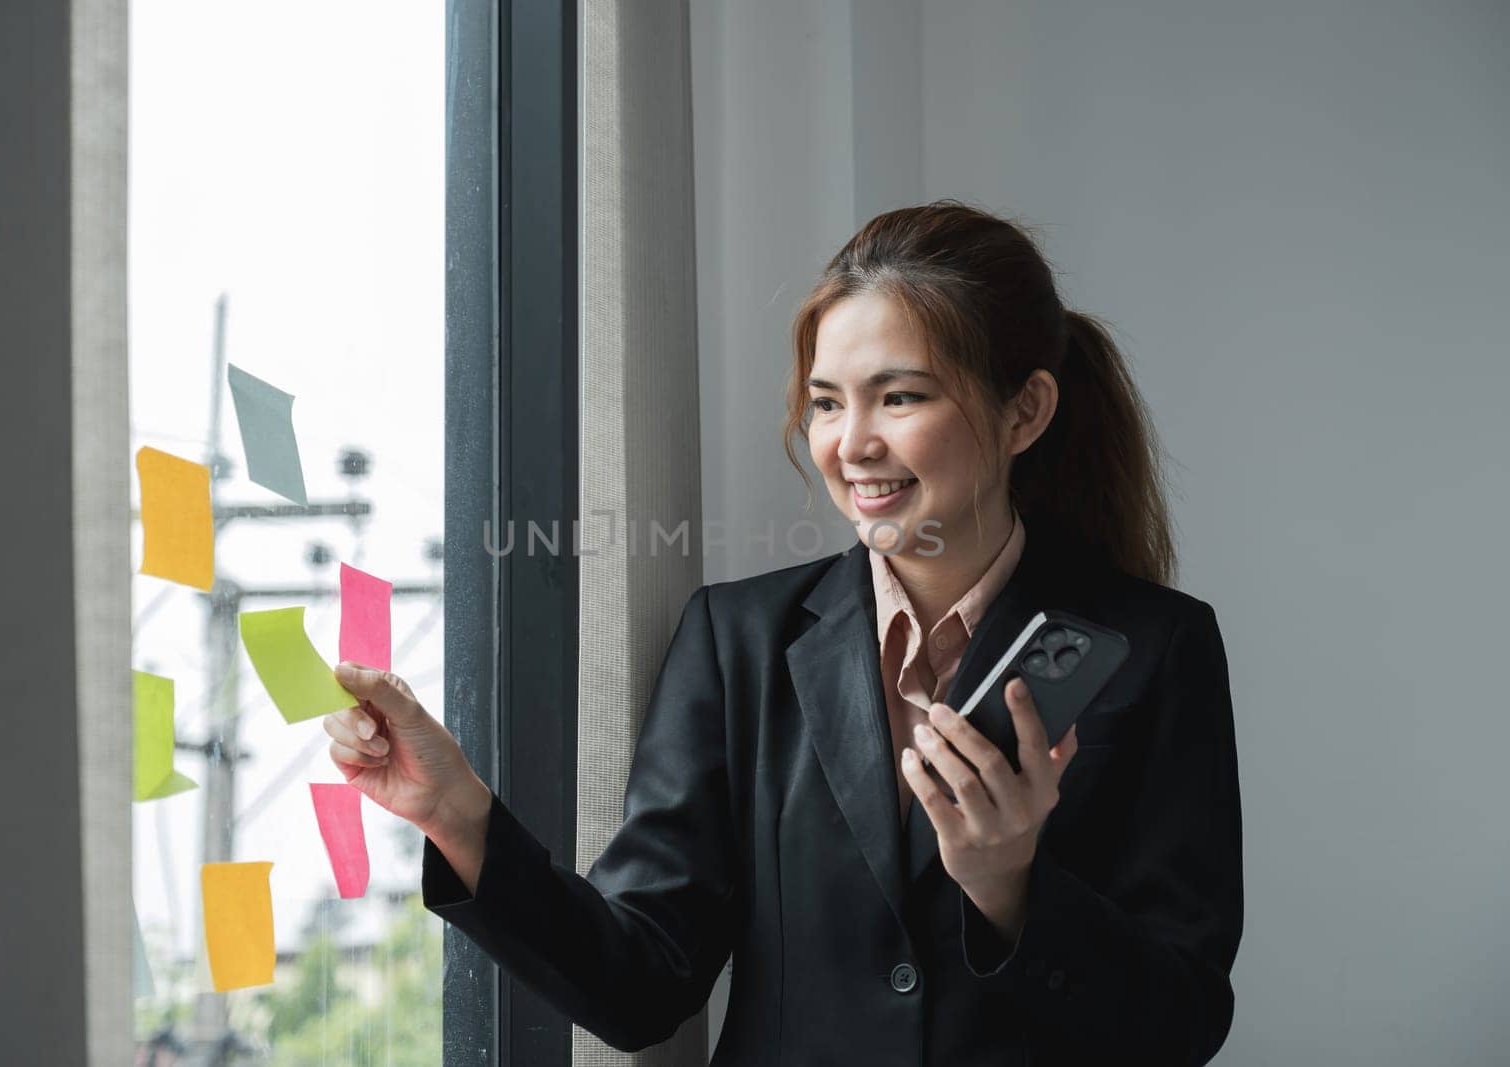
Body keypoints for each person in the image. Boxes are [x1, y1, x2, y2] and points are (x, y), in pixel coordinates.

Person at [324, 200, 1244, 1065]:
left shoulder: (1154, 650)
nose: (851, 444)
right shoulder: (740, 641)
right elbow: (640, 982)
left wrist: (1013, 887)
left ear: (1026, 411)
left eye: (901, 397)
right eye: (828, 402)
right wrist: (454, 813)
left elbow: (1183, 1020)